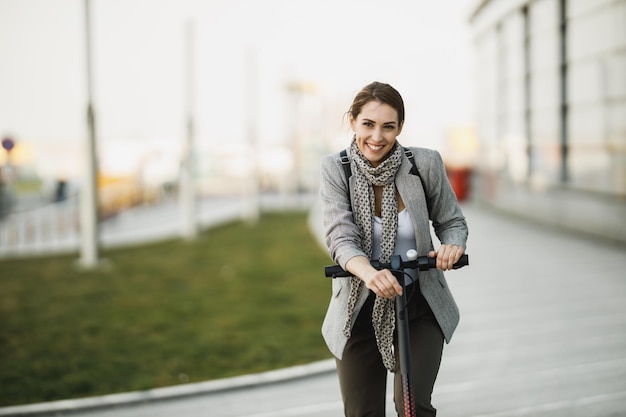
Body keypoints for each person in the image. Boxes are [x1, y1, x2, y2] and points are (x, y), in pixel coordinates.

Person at [319, 81, 468, 416]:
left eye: (388, 126)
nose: (377, 137)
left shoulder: (424, 164)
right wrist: (371, 274)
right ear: (353, 121)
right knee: (362, 411)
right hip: (358, 304)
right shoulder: (336, 168)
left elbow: (451, 221)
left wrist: (452, 246)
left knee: (413, 407)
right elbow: (340, 237)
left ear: (400, 127)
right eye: (368, 124)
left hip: (419, 299)